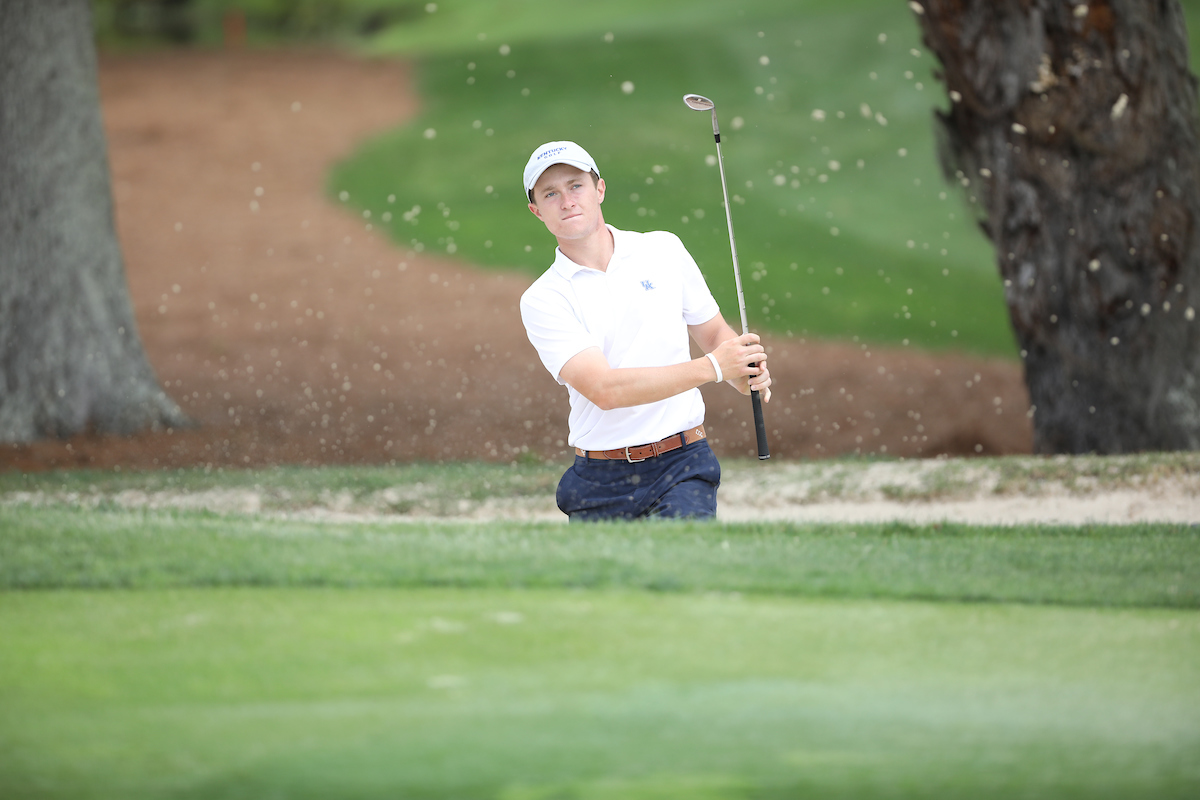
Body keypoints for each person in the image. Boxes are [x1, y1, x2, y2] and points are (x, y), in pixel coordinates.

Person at [519, 140, 772, 522]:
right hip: (599, 479)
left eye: (575, 186)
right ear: (536, 210)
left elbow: (714, 333)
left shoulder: (663, 250)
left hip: (683, 465)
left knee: (682, 566)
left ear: (599, 189)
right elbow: (604, 390)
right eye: (550, 193)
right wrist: (715, 368)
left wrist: (739, 372)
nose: (567, 200)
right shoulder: (543, 297)